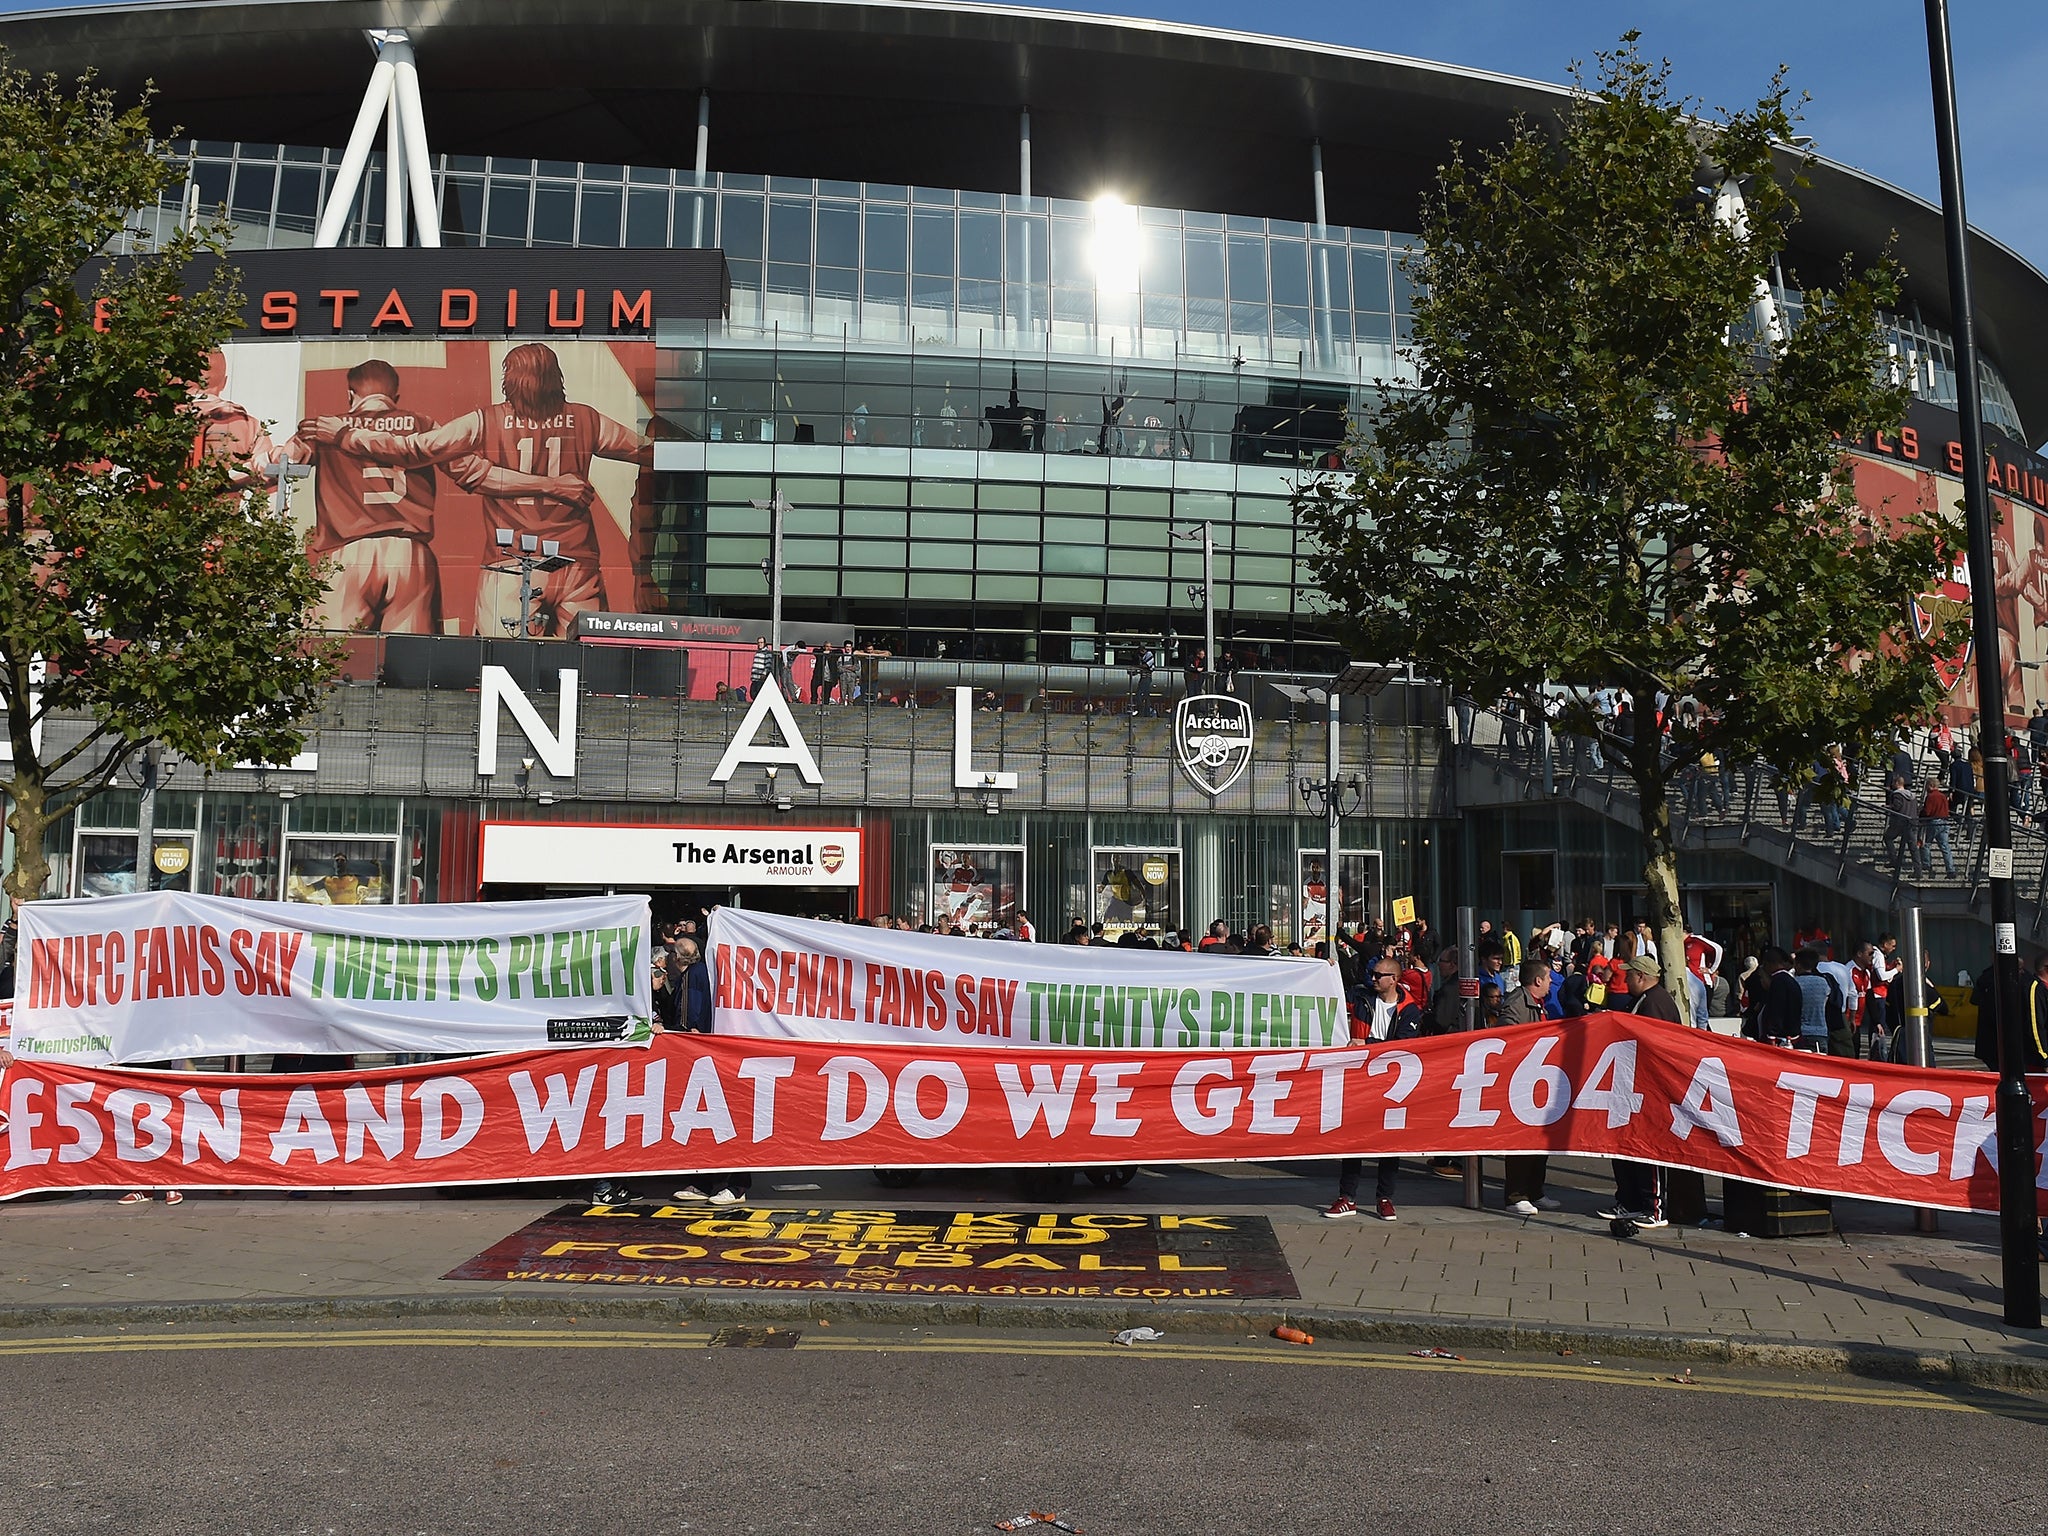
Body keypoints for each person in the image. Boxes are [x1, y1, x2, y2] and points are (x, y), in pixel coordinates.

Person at [300, 341, 648, 638]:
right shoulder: (587, 419)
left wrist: (346, 435)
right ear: (557, 379)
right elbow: (646, 451)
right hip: (577, 562)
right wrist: (697, 446)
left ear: (509, 381)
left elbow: (414, 450)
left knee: (504, 662)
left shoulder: (484, 420)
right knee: (584, 665)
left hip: (511, 562)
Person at [1323, 959, 1419, 1221]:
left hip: (1393, 1085)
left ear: (1394, 979)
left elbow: (1401, 1047)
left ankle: (1385, 1198)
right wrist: (1328, 970)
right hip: (1359, 1081)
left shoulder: (1410, 1010)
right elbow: (1332, 994)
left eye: (1379, 975)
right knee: (1353, 1142)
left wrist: (1367, 1043)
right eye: (1372, 974)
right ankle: (1347, 1197)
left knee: (1389, 1144)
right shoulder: (1362, 997)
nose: (1373, 978)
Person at [1498, 962, 1559, 1217]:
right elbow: (1509, 1037)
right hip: (1522, 1082)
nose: (1550, 984)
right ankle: (1516, 1195)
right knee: (1522, 1143)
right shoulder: (1516, 1004)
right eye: (1547, 979)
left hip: (1537, 1080)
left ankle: (1535, 1190)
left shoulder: (1538, 1004)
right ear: (1537, 981)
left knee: (1539, 1142)